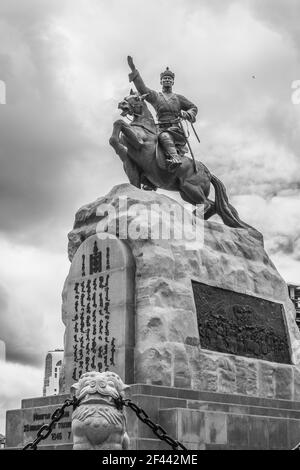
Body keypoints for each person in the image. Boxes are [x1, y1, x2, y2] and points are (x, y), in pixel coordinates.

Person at [127, 56, 198, 171]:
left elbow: (193, 107)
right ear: (161, 81)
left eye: (169, 79)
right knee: (148, 144)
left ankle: (175, 157)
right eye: (165, 78)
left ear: (173, 82)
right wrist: (133, 70)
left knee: (164, 136)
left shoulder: (179, 98)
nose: (167, 80)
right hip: (158, 128)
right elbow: (143, 88)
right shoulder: (156, 97)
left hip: (174, 130)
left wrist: (188, 114)